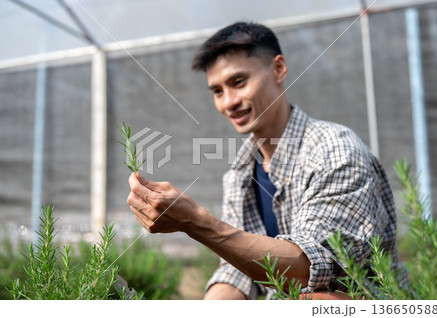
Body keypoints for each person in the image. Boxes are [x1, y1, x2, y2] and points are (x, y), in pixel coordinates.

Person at [126, 22, 408, 300]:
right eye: (217, 91)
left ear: (278, 69)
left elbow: (312, 270)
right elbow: (238, 275)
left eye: (238, 82)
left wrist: (197, 223)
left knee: (323, 298)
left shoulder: (335, 151)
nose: (229, 102)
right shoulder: (240, 173)